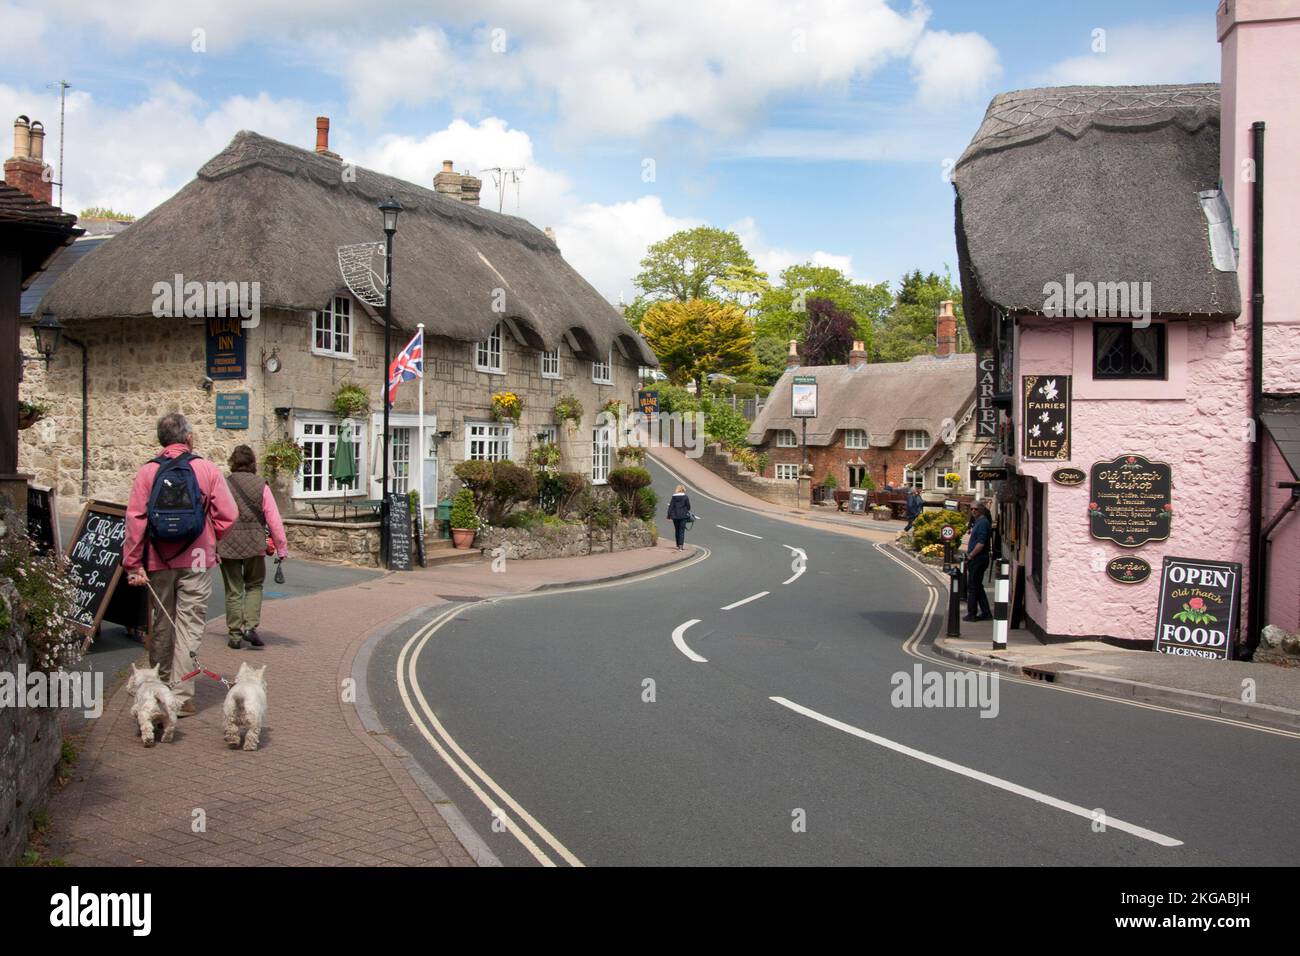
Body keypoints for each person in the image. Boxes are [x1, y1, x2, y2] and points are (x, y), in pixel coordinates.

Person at [123, 413, 237, 716]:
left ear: (161, 440)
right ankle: (182, 695)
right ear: (188, 438)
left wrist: (134, 563)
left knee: (162, 622)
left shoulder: (148, 472)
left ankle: (157, 690)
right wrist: (210, 536)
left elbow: (135, 520)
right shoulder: (205, 469)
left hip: (158, 558)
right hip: (198, 557)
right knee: (189, 626)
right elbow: (228, 514)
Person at [218, 444, 288, 649]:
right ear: (252, 463)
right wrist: (281, 547)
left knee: (233, 590)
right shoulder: (261, 486)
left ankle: (235, 635)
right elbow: (274, 520)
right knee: (254, 585)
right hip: (254, 544)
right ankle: (250, 627)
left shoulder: (224, 484)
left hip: (227, 543)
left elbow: (213, 514)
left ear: (232, 462)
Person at [964, 502, 993, 622]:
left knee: (972, 587)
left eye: (976, 509)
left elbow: (981, 543)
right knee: (978, 586)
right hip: (978, 558)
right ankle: (986, 613)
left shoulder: (983, 523)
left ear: (981, 510)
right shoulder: (979, 522)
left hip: (978, 559)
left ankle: (972, 614)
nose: (973, 511)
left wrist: (970, 555)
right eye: (972, 509)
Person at [666, 484, 693, 551]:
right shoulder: (685, 497)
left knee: (677, 530)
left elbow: (671, 506)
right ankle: (681, 546)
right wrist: (686, 510)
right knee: (681, 531)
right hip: (683, 516)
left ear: (677, 489)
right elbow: (688, 506)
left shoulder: (674, 497)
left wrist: (668, 516)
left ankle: (678, 545)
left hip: (675, 516)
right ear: (683, 489)